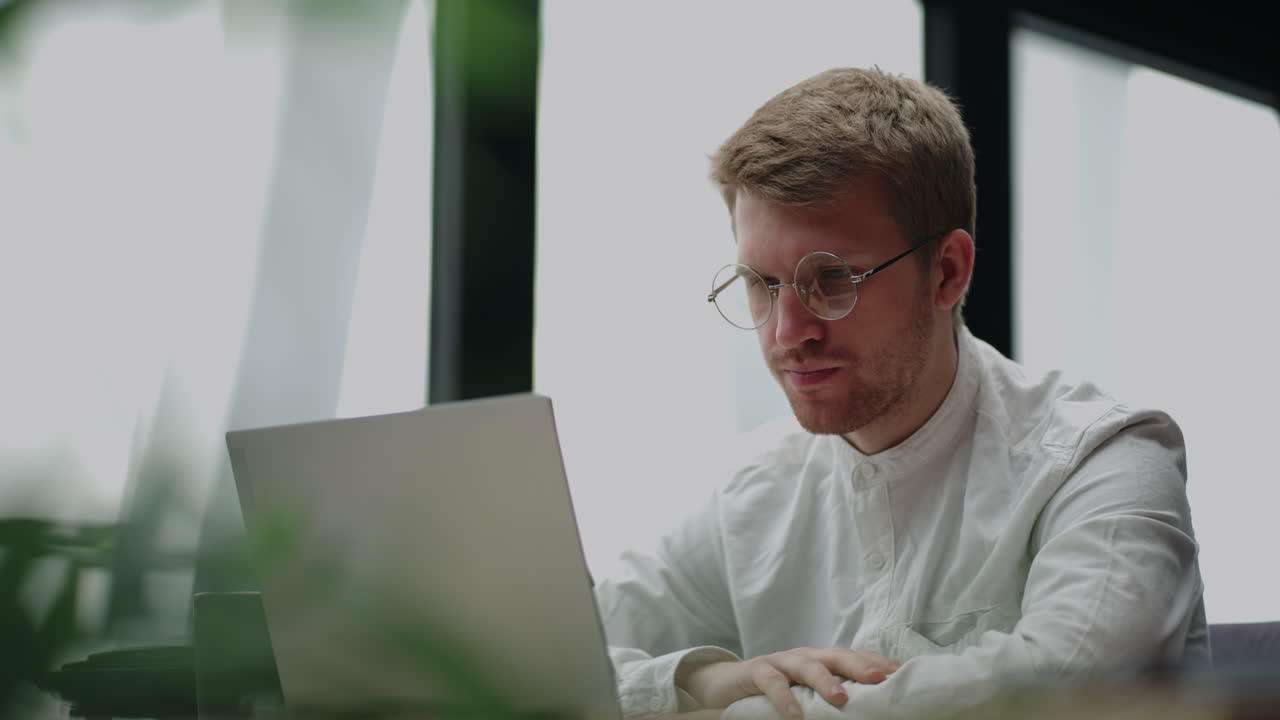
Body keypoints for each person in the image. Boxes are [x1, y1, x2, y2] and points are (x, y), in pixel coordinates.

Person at [593, 67, 1208, 720]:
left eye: (830, 279)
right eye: (761, 283)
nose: (787, 331)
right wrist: (705, 684)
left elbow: (1064, 690)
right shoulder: (751, 495)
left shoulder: (1103, 461)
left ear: (946, 272)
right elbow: (547, 670)